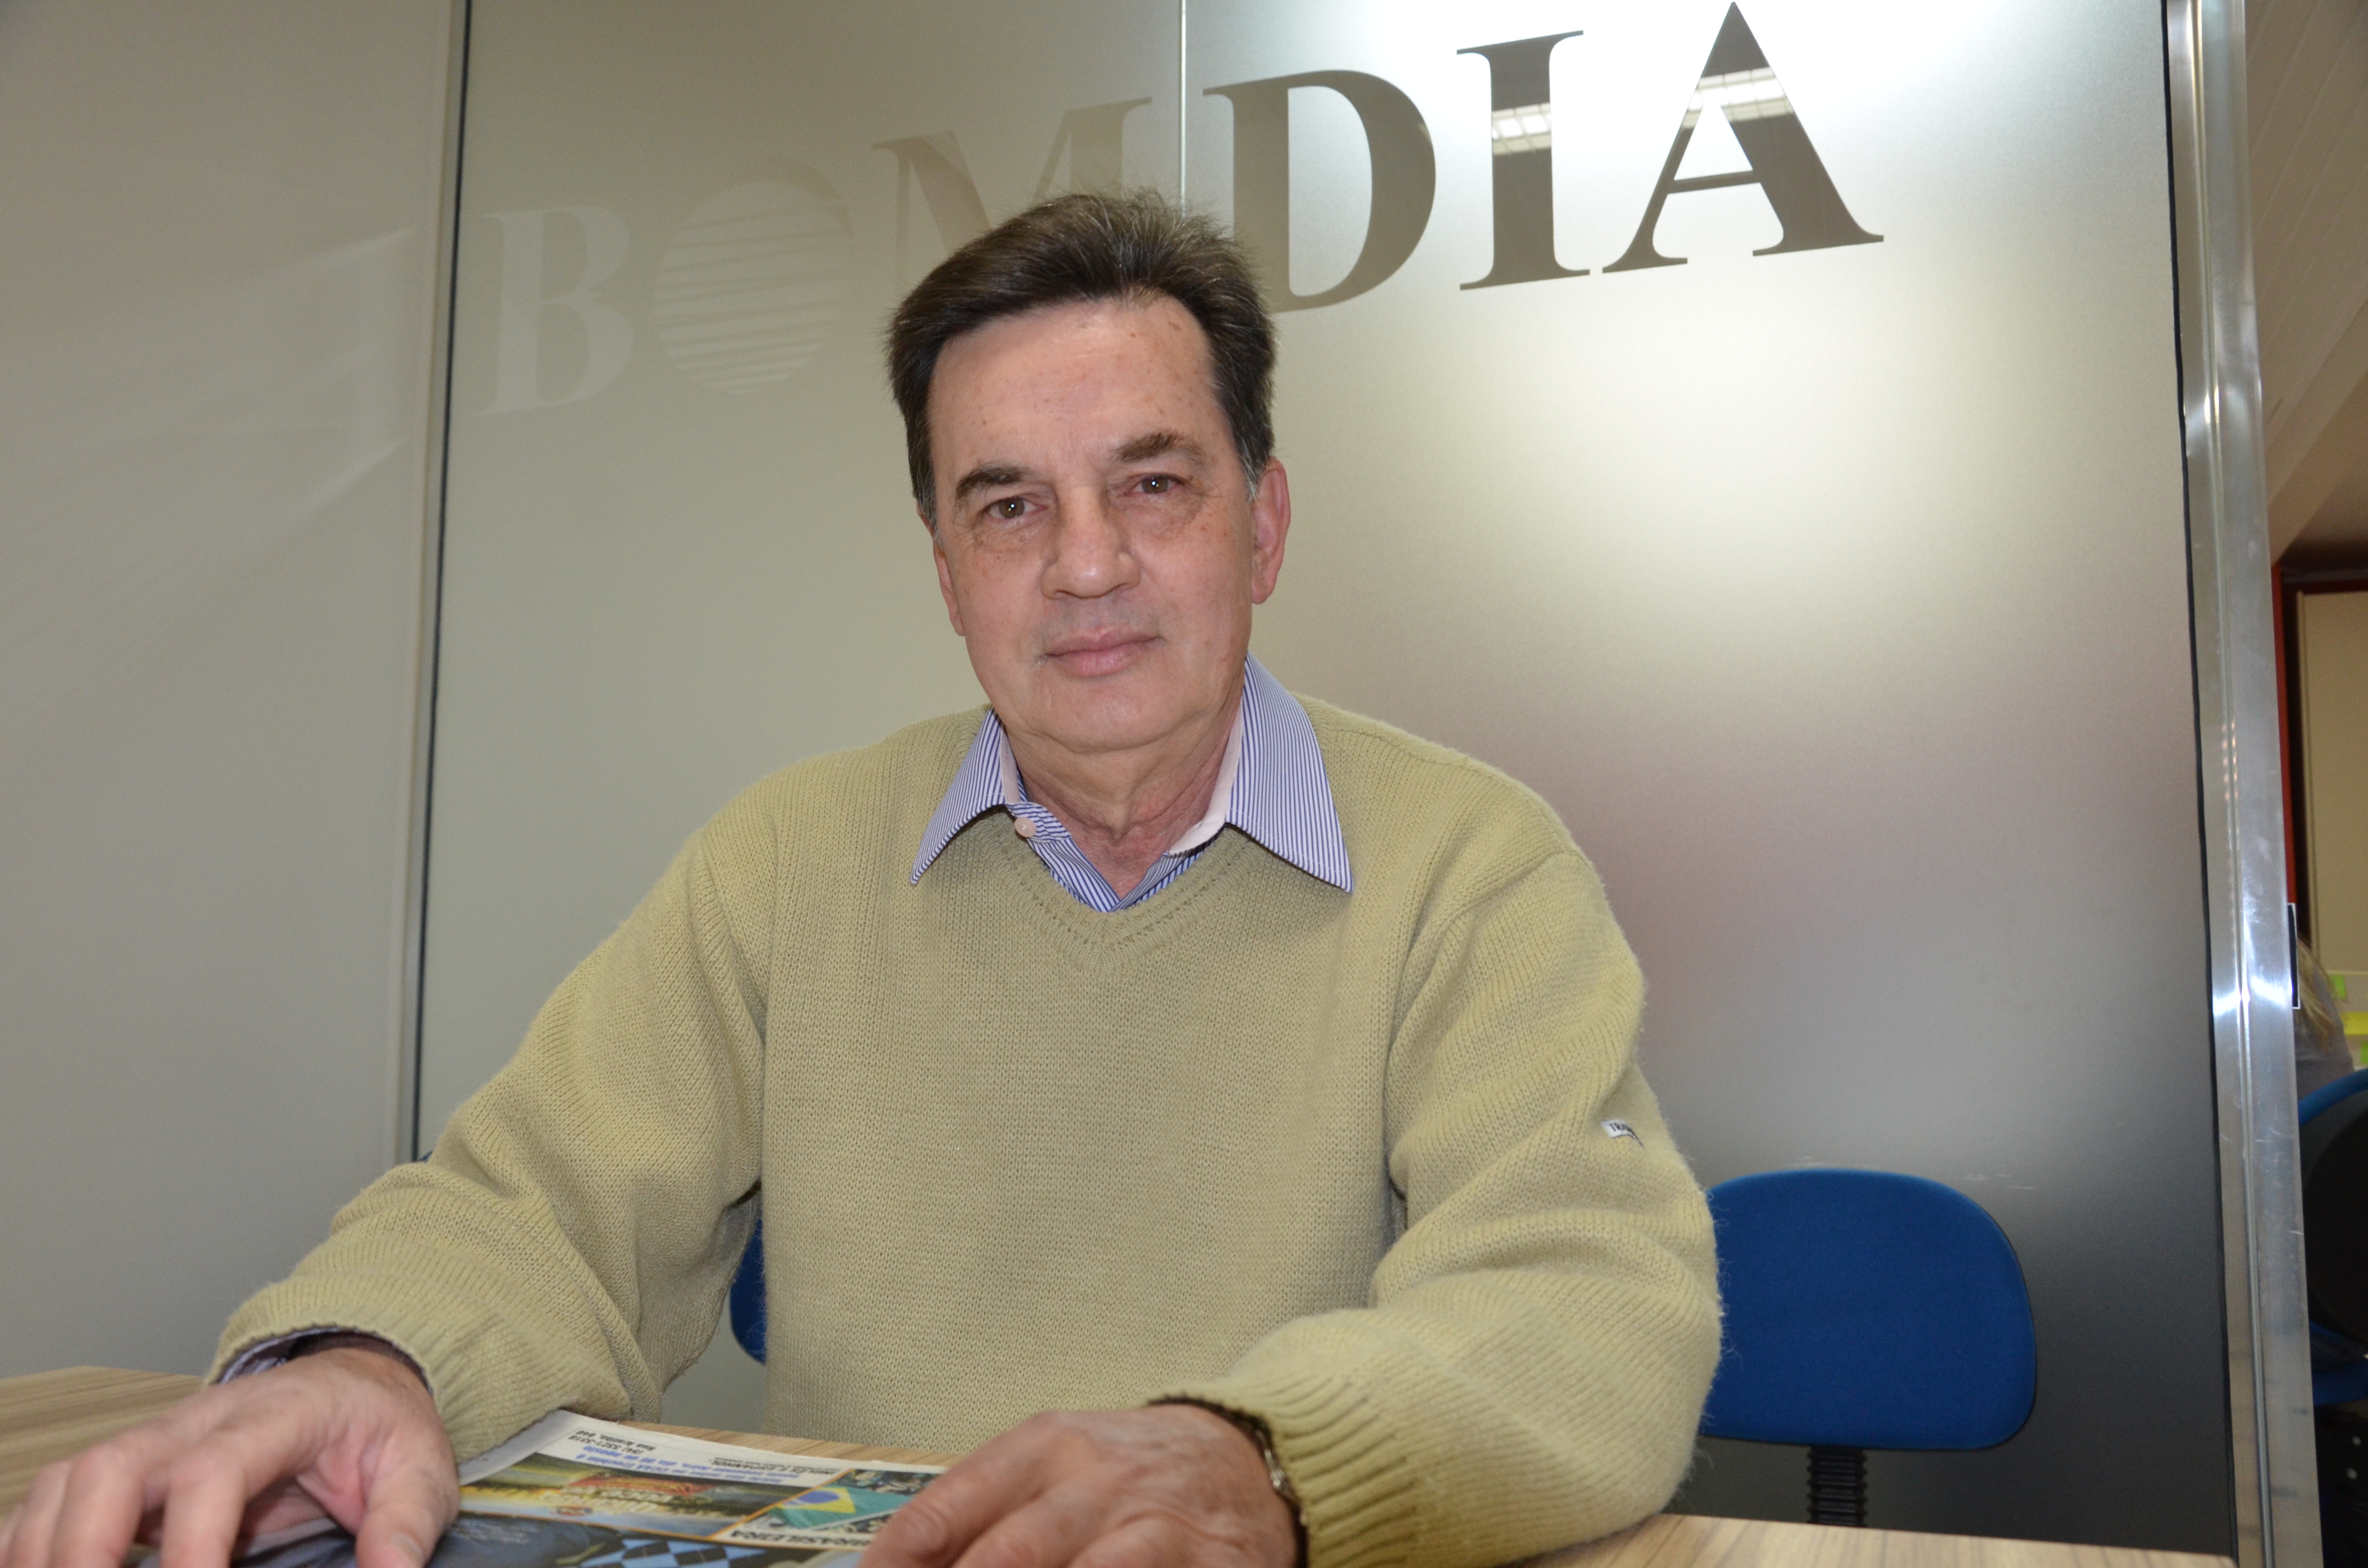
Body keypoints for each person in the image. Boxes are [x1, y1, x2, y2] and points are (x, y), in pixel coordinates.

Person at [0, 193, 1718, 1568]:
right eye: (1009, 507)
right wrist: (364, 1361)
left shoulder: (1473, 864)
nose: (1089, 566)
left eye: (1152, 484)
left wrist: (1258, 1465)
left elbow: (1578, 1302)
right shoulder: (788, 860)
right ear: (947, 572)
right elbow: (535, 1210)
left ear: (1261, 525)